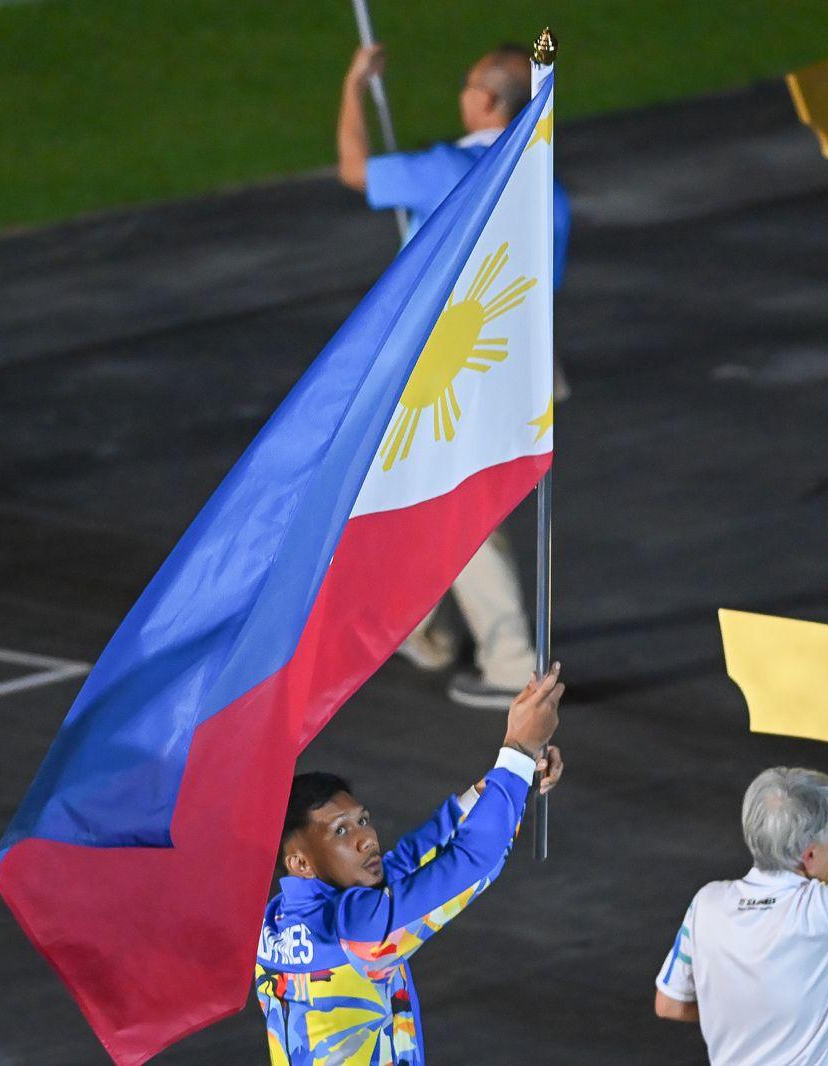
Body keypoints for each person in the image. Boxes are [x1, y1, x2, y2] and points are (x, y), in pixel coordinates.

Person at [337, 42, 572, 709]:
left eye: (470, 85)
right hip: (519, 362)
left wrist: (356, 83)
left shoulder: (449, 167)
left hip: (449, 365)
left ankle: (502, 660)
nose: (461, 94)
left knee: (450, 510)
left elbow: (355, 168)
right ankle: (421, 629)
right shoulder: (543, 181)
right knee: (451, 504)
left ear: (490, 101)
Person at [255, 665, 565, 1065]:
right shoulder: (356, 932)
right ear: (300, 863)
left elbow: (403, 864)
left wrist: (507, 777)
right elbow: (471, 863)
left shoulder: (275, 919)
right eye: (340, 832)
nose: (365, 838)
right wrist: (519, 752)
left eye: (363, 821)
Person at [653, 768, 828, 1065]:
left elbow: (670, 1004)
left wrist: (754, 1017)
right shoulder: (823, 909)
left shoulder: (707, 904)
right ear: (810, 857)